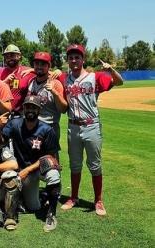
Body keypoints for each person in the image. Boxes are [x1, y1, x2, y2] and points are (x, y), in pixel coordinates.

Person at [59, 44, 123, 216]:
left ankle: (98, 200)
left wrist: (111, 70)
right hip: (73, 126)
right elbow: (45, 73)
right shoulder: (64, 79)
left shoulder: (95, 77)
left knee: (95, 165)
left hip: (91, 126)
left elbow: (119, 82)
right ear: (68, 60)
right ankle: (73, 197)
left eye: (77, 57)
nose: (74, 60)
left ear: (83, 59)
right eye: (71, 57)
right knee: (75, 164)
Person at [0, 95, 62, 232]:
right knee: (33, 207)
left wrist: (28, 170)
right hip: (21, 170)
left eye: (34, 107)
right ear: (23, 108)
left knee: (54, 173)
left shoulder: (47, 130)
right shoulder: (15, 124)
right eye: (28, 106)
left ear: (39, 110)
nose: (30, 109)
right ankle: (42, 197)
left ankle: (51, 214)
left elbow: (50, 156)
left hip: (38, 168)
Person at [27, 51, 67, 144]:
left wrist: (54, 93)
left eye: (43, 64)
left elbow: (63, 109)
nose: (39, 66)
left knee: (50, 157)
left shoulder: (56, 83)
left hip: (49, 126)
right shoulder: (31, 81)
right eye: (37, 63)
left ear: (49, 66)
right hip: (32, 125)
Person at [0, 44, 35, 113]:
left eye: (12, 55)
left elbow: (43, 72)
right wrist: (5, 82)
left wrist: (57, 72)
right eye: (7, 56)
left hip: (19, 114)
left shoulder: (27, 71)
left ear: (19, 56)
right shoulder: (0, 71)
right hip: (2, 113)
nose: (9, 58)